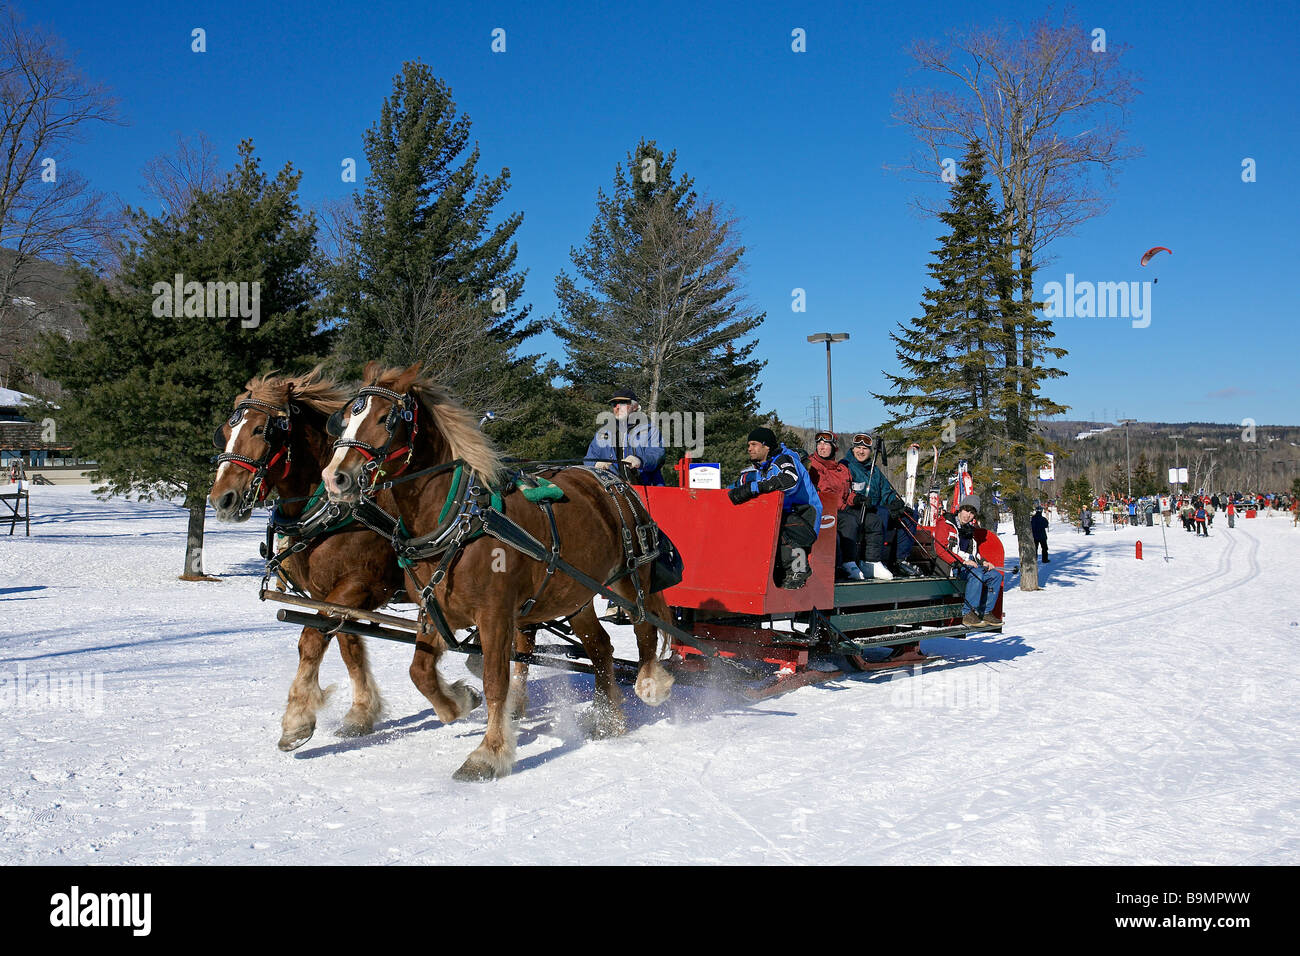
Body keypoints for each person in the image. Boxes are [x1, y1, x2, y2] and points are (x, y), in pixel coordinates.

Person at [728, 427, 822, 589]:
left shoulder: (784, 460)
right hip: (783, 518)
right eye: (748, 444)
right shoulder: (760, 469)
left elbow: (789, 480)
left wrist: (757, 487)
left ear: (767, 446)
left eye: (754, 444)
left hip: (805, 519)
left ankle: (799, 569)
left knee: (777, 523)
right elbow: (738, 486)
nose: (749, 448)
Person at [840, 434, 920, 579]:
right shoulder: (846, 466)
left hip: (875, 508)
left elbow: (886, 491)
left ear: (870, 451)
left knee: (910, 515)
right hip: (857, 509)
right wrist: (860, 499)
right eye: (858, 448)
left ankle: (900, 559)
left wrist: (896, 503)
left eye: (865, 449)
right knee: (881, 514)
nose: (861, 451)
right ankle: (878, 560)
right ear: (852, 449)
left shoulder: (874, 470)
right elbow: (845, 493)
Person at [806, 431, 864, 581]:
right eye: (819, 444)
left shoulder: (842, 469)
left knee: (865, 519)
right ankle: (842, 564)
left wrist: (856, 499)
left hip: (839, 510)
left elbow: (847, 493)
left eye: (826, 444)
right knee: (848, 521)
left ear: (834, 448)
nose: (821, 447)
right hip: (820, 510)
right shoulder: (811, 465)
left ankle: (856, 562)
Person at [584, 388, 665, 485]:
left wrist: (640, 460)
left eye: (622, 403)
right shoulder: (602, 433)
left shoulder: (650, 430)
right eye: (614, 404)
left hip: (647, 488)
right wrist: (595, 464)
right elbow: (589, 458)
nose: (617, 407)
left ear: (634, 407)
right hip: (613, 491)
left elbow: (657, 456)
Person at [952, 497, 1001, 626]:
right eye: (966, 510)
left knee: (995, 575)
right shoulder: (950, 524)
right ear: (960, 509)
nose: (968, 515)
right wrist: (964, 561)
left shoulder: (969, 530)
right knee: (977, 574)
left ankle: (986, 611)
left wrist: (984, 562)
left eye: (972, 513)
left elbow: (974, 552)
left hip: (968, 565)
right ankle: (968, 612)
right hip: (953, 565)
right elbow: (946, 550)